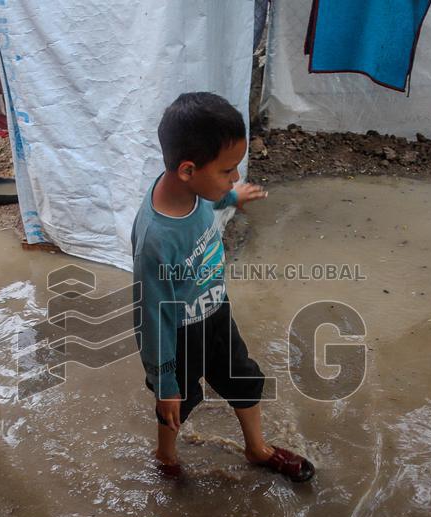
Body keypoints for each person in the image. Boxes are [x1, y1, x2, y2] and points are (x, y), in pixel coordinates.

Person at [131, 92, 315, 482]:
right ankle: (166, 457)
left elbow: (207, 201)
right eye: (228, 171)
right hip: (178, 332)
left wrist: (231, 196)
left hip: (216, 312)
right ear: (187, 170)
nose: (235, 177)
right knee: (179, 401)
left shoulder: (195, 191)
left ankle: (257, 448)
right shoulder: (156, 240)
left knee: (243, 376)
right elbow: (150, 317)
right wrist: (165, 381)